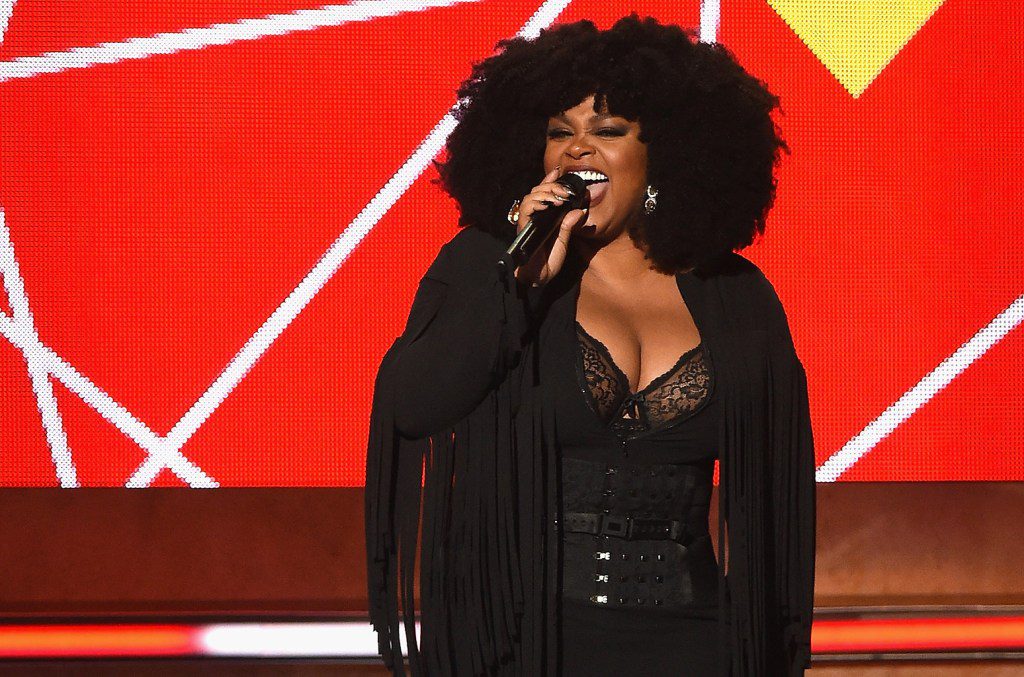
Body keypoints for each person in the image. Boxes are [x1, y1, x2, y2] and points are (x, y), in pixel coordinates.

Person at [365, 14, 815, 676]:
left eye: (607, 131)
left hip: (693, 644)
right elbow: (414, 403)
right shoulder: (489, 263)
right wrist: (519, 286)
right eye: (559, 133)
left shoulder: (735, 295)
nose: (578, 150)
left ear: (663, 153)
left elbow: (777, 507)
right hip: (526, 644)